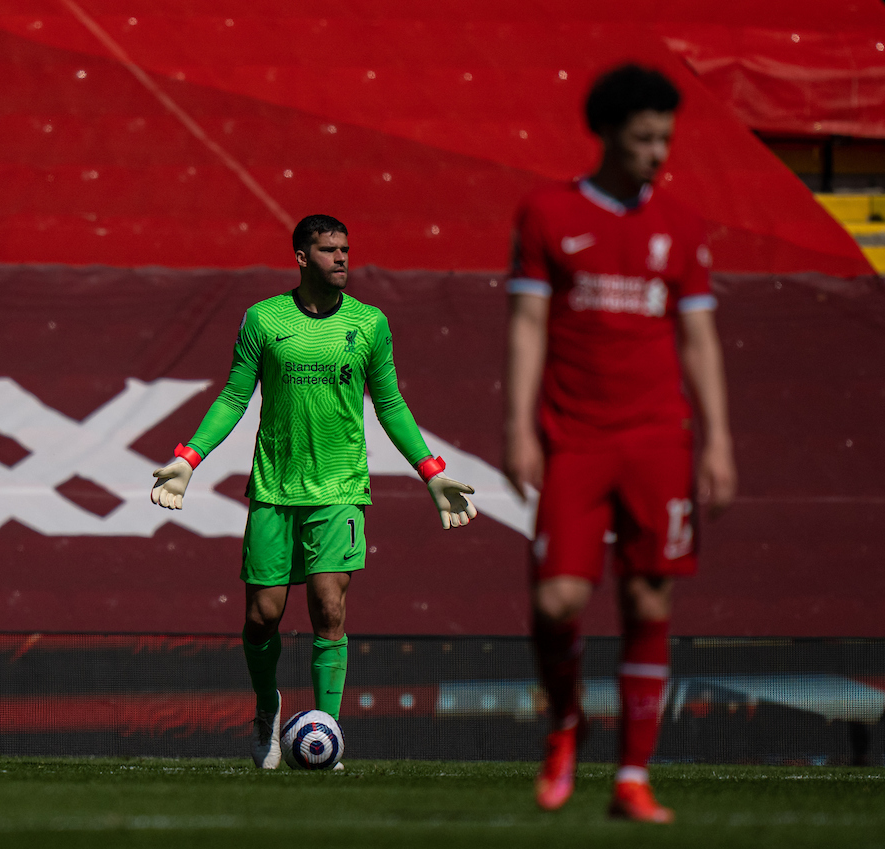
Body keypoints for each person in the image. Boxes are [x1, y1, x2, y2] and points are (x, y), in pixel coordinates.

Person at [151, 214, 477, 768]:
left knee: (330, 608)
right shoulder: (264, 319)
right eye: (329, 250)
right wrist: (188, 458)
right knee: (262, 617)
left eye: (346, 249)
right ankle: (266, 708)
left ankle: (328, 736)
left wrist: (433, 471)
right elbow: (234, 396)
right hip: (274, 491)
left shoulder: (370, 324)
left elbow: (391, 404)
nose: (342, 259)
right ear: (302, 257)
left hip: (339, 489)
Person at [503, 65, 736, 822]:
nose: (657, 151)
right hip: (574, 436)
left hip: (658, 439)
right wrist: (518, 425)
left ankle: (632, 776)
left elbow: (698, 337)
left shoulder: (683, 224)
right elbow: (529, 325)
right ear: (605, 133)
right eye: (643, 137)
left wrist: (717, 439)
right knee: (557, 599)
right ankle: (565, 724)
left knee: (648, 594)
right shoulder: (546, 213)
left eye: (665, 137)